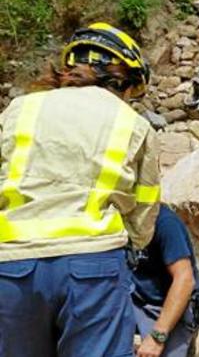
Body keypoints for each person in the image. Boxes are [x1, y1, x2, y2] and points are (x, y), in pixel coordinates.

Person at [0, 22, 160, 357]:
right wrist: (134, 244)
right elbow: (144, 209)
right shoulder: (132, 123)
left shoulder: (19, 110)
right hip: (93, 264)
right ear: (122, 80)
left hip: (13, 263)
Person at [132, 204, 199, 357]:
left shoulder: (165, 223)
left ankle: (184, 336)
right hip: (135, 298)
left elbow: (185, 280)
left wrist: (157, 338)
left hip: (170, 303)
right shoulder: (115, 220)